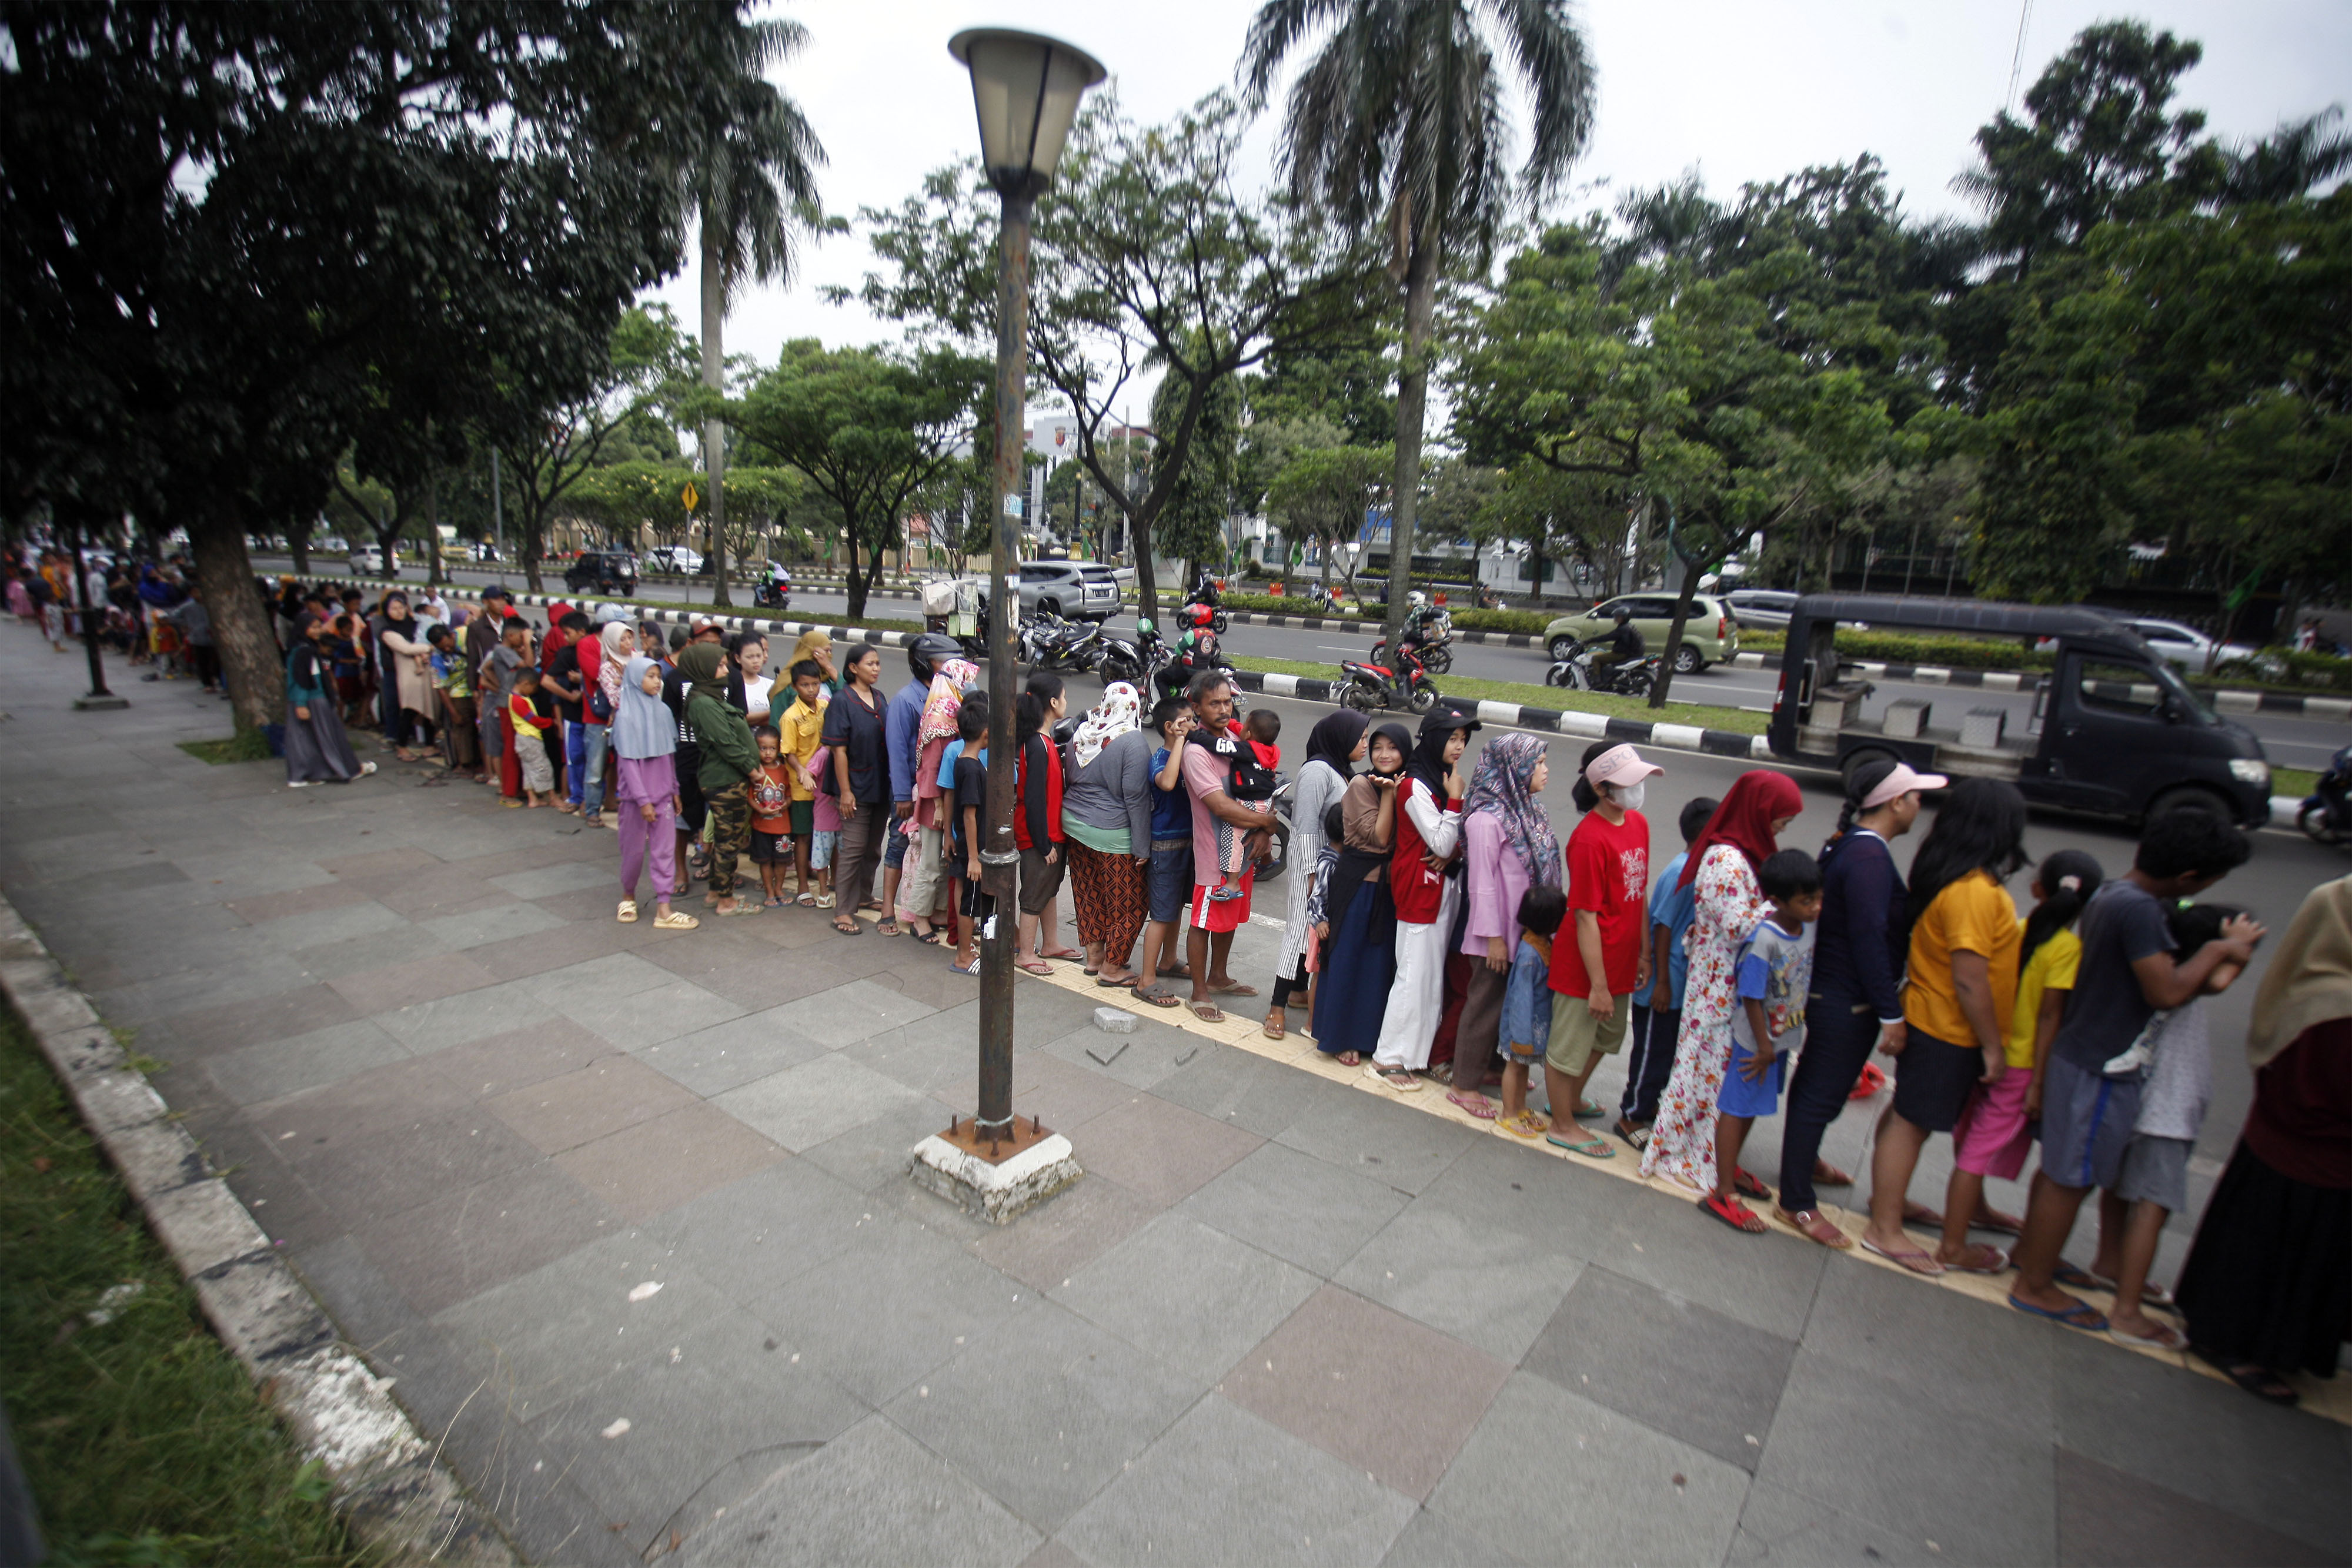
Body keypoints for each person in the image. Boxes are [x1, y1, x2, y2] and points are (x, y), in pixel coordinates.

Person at [2009, 808, 2263, 1331]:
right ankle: (2034, 1283)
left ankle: (2033, 1258)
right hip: (2103, 1067)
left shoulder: (2111, 894)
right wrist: (2220, 946)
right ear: (2189, 877)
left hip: (2078, 1055)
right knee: (2070, 1180)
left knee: (2058, 1172)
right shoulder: (2141, 912)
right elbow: (2166, 990)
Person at [2174, 875, 2351, 1406]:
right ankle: (2236, 1343)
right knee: (2274, 1263)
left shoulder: (2311, 980)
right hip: (2310, 1159)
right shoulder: (2335, 1004)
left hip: (2285, 1148)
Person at [1856, 778, 2030, 1275]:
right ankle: (1884, 1228)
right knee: (1913, 1123)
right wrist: (1994, 1047)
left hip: (1937, 1020)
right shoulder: (1974, 891)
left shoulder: (1956, 878)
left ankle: (1889, 1205)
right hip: (1947, 1027)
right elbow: (1971, 978)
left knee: (1909, 1115)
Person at [1770, 760, 1943, 1245]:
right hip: (1844, 1000)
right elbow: (1869, 938)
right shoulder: (1867, 858)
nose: (1918, 805)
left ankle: (1803, 1167)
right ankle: (1796, 1200)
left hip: (1838, 994)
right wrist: (1891, 1012)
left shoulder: (1855, 847)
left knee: (1822, 1093)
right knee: (1818, 1095)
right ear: (1894, 802)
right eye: (1915, 796)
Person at [2089, 901, 2249, 1352]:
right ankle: (2126, 1308)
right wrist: (2236, 944)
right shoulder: (2190, 982)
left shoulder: (2161, 971)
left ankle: (2110, 1262)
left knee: (2119, 1190)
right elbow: (2223, 975)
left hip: (2135, 1098)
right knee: (2152, 1206)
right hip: (2168, 1112)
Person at [1640, 771, 1805, 1194]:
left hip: (1728, 988)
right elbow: (1739, 927)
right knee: (1706, 1077)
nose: (1783, 828)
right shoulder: (1726, 860)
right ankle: (1693, 1159)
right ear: (1759, 813)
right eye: (1779, 819)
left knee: (1717, 1079)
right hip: (1717, 992)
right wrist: (1787, 913)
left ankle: (1716, 1159)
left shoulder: (1746, 854)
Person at [1940, 850, 2103, 1263]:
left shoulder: (2015, 929)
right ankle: (1953, 1245)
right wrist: (2039, 1083)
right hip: (2020, 1065)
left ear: (2037, 889)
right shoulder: (2067, 949)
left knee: (1969, 1137)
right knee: (1979, 1150)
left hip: (1986, 1051)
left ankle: (1976, 1210)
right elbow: (2050, 1016)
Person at [1542, 743, 1662, 1152]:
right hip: (1587, 968)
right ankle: (1561, 1122)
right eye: (1629, 783)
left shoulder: (1638, 825)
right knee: (1569, 1046)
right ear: (1601, 788)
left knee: (1606, 1038)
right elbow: (1585, 916)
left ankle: (1571, 1099)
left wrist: (1644, 952)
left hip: (1622, 960)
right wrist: (1597, 985)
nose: (1638, 789)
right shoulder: (1589, 840)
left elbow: (1638, 890)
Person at [1705, 849, 1823, 1232]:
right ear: (1776, 900)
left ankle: (1731, 1169)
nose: (1815, 907)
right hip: (1756, 1043)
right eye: (1807, 901)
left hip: (1779, 1040)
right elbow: (1752, 995)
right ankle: (1723, 1190)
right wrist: (1764, 1045)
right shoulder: (1765, 939)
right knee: (1737, 1107)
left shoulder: (1805, 928)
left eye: (1818, 898)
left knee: (1753, 1105)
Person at [1451, 733, 1561, 1119]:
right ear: (1514, 767)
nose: (1545, 771)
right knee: (1485, 1004)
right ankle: (1464, 1083)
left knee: (1510, 1004)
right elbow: (1480, 885)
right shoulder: (1485, 818)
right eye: (1539, 763)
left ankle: (1496, 1069)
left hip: (1527, 932)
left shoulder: (1528, 808)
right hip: (1496, 935)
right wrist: (1494, 938)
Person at [1368, 710, 1478, 1089]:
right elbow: (1444, 841)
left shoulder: (1440, 780)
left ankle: (1416, 1055)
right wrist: (1456, 801)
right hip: (1420, 889)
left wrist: (1453, 841)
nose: (1459, 746)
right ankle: (1389, 1058)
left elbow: (1455, 843)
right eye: (1452, 739)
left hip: (1442, 889)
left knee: (1430, 978)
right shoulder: (1415, 786)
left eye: (1463, 739)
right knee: (1414, 976)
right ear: (1432, 740)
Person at [1618, 795, 1718, 1151]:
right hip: (1664, 986)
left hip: (1680, 985)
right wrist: (1661, 982)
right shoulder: (1682, 872)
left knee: (1669, 1053)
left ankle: (1651, 1105)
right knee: (1652, 1053)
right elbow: (1662, 926)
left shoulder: (1702, 867)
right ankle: (1632, 1114)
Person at [1178, 673, 1276, 1020]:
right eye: (1214, 703)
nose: (1223, 709)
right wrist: (1267, 823)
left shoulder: (1237, 739)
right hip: (1213, 857)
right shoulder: (1195, 753)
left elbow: (1263, 785)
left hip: (1244, 852)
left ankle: (1218, 977)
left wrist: (1264, 832)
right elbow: (1219, 806)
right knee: (1204, 922)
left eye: (1227, 702)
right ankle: (1199, 991)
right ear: (1197, 708)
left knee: (1230, 915)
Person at [1268, 712, 1369, 1039]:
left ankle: (1299, 991)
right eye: (1362, 737)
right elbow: (1305, 827)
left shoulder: (1340, 770)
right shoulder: (1316, 771)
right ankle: (1276, 1008)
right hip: (1310, 862)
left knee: (1315, 933)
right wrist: (1312, 874)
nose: (1366, 743)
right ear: (1342, 737)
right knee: (1299, 928)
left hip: (1329, 865)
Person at [1312, 725, 1409, 1063]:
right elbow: (1381, 839)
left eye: (1393, 748)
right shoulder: (1362, 785)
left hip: (1390, 889)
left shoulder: (1410, 784)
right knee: (1350, 961)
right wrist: (1391, 795)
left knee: (1379, 967)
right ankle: (1342, 1037)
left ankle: (1371, 1037)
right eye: (1377, 747)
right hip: (1359, 887)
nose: (1383, 754)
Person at [1061, 681, 1156, 987]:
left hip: (1074, 825)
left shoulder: (1082, 733)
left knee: (1089, 893)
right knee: (1130, 904)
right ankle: (1113, 968)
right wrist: (1143, 846)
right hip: (1112, 833)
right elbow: (1136, 798)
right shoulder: (1133, 743)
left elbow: (1070, 777)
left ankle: (1094, 958)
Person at [612, 651, 697, 930]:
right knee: (633, 851)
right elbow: (628, 765)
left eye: (659, 676)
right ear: (636, 679)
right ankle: (628, 896)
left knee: (664, 850)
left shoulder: (662, 712)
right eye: (650, 676)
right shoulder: (625, 717)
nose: (657, 681)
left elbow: (668, 755)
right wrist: (643, 801)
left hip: (663, 797)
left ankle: (664, 906)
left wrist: (674, 789)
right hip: (634, 801)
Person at [897, 637, 973, 942]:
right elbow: (929, 770)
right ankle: (920, 919)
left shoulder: (950, 713)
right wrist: (940, 806)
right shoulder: (938, 721)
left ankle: (936, 911)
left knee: (943, 862)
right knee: (930, 862)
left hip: (946, 801)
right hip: (935, 804)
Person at [678, 643, 760, 918]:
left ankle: (716, 892)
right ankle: (726, 901)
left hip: (729, 778)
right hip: (724, 780)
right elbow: (726, 743)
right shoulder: (703, 703)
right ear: (703, 668)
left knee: (729, 838)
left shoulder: (711, 697)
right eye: (721, 665)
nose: (726, 669)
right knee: (728, 842)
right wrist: (753, 769)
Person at [1134, 697, 1200, 1010]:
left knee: (1176, 907)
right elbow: (1169, 783)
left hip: (1188, 842)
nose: (1193, 724)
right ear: (1169, 727)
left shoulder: (1188, 754)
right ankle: (1146, 978)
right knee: (1161, 913)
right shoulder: (1161, 759)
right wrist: (1179, 743)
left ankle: (1169, 959)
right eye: (1186, 720)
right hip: (1165, 845)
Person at [821, 643, 891, 932]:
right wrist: (845, 792)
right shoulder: (842, 700)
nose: (875, 668)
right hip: (855, 786)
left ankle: (863, 895)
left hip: (880, 785)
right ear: (853, 668)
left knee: (873, 847)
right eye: (869, 664)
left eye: (877, 663)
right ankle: (843, 911)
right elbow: (838, 751)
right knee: (852, 848)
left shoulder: (879, 697)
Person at [1496, 886, 1569, 1139]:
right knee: (1514, 1068)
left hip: (1533, 1027)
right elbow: (1520, 1001)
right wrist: (1521, 1037)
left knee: (1523, 1069)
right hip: (1522, 1029)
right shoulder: (1530, 956)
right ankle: (1508, 1112)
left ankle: (1520, 1107)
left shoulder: (1541, 945)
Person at [1010, 685, 1072, 972]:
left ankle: (1051, 944)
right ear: (1052, 702)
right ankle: (1026, 954)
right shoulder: (1036, 745)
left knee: (1048, 889)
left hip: (1049, 832)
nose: (1066, 701)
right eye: (1063, 696)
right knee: (1034, 893)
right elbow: (1032, 798)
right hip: (1040, 835)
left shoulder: (1044, 741)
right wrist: (1043, 843)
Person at [283, 615, 376, 787]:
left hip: (306, 699)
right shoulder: (306, 651)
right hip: (313, 699)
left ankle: (308, 774)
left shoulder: (299, 649)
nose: (319, 631)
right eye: (314, 628)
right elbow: (304, 679)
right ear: (304, 630)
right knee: (327, 737)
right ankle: (341, 770)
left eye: (320, 627)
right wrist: (302, 704)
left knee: (306, 738)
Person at [777, 659, 829, 906]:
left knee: (828, 834)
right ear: (795, 687)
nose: (811, 689)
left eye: (815, 684)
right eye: (805, 685)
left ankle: (825, 879)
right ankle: (801, 885)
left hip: (825, 785)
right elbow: (788, 752)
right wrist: (802, 772)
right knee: (804, 836)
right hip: (803, 787)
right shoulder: (791, 717)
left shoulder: (825, 707)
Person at [948, 703, 991, 975]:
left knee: (969, 898)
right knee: (970, 903)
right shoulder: (973, 769)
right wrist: (974, 858)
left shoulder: (963, 762)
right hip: (972, 848)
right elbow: (969, 815)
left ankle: (967, 948)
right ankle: (964, 956)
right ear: (985, 733)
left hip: (968, 844)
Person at [377, 592, 436, 761]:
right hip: (408, 674)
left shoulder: (415, 624)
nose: (398, 611)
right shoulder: (387, 631)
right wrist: (429, 648)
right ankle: (402, 747)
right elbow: (405, 649)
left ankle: (430, 745)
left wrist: (423, 648)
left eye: (401, 607)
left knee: (428, 709)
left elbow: (424, 637)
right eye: (393, 608)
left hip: (425, 672)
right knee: (410, 709)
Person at [747, 724, 795, 907]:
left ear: (779, 748)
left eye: (772, 748)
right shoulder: (755, 771)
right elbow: (750, 797)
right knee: (765, 861)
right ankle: (769, 891)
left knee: (782, 860)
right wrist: (761, 811)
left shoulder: (784, 770)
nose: (768, 753)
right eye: (763, 748)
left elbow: (789, 796)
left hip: (782, 826)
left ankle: (779, 889)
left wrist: (786, 804)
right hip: (761, 825)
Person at [426, 624, 482, 777]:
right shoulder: (437, 657)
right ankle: (466, 764)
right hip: (458, 694)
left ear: (451, 635)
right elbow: (440, 688)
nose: (447, 650)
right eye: (443, 648)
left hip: (479, 687)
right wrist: (453, 712)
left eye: (449, 646)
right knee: (463, 729)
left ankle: (481, 763)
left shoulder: (466, 633)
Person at [506, 668, 558, 807]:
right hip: (529, 738)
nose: (534, 691)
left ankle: (533, 799)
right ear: (525, 684)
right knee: (543, 767)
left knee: (528, 769)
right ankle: (553, 797)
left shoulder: (514, 698)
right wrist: (551, 722)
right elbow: (534, 720)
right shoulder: (519, 701)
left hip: (523, 739)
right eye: (533, 687)